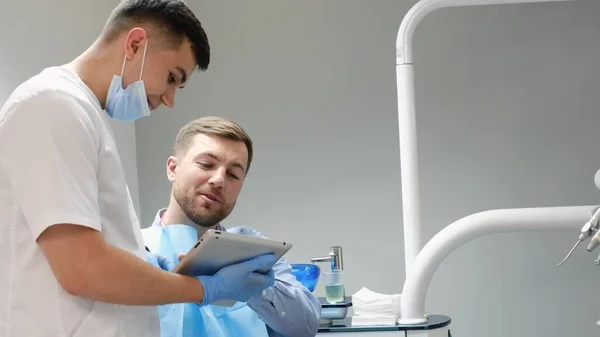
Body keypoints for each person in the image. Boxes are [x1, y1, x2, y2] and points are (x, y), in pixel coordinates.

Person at [0, 1, 276, 337]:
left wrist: (141, 265)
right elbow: (80, 268)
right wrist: (204, 289)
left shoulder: (83, 114)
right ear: (135, 44)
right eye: (173, 78)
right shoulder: (53, 104)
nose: (170, 99)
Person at [142, 116, 322, 337]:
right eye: (206, 164)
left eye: (233, 174)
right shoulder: (136, 247)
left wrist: (258, 288)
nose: (219, 180)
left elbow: (306, 328)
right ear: (173, 168)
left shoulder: (254, 248)